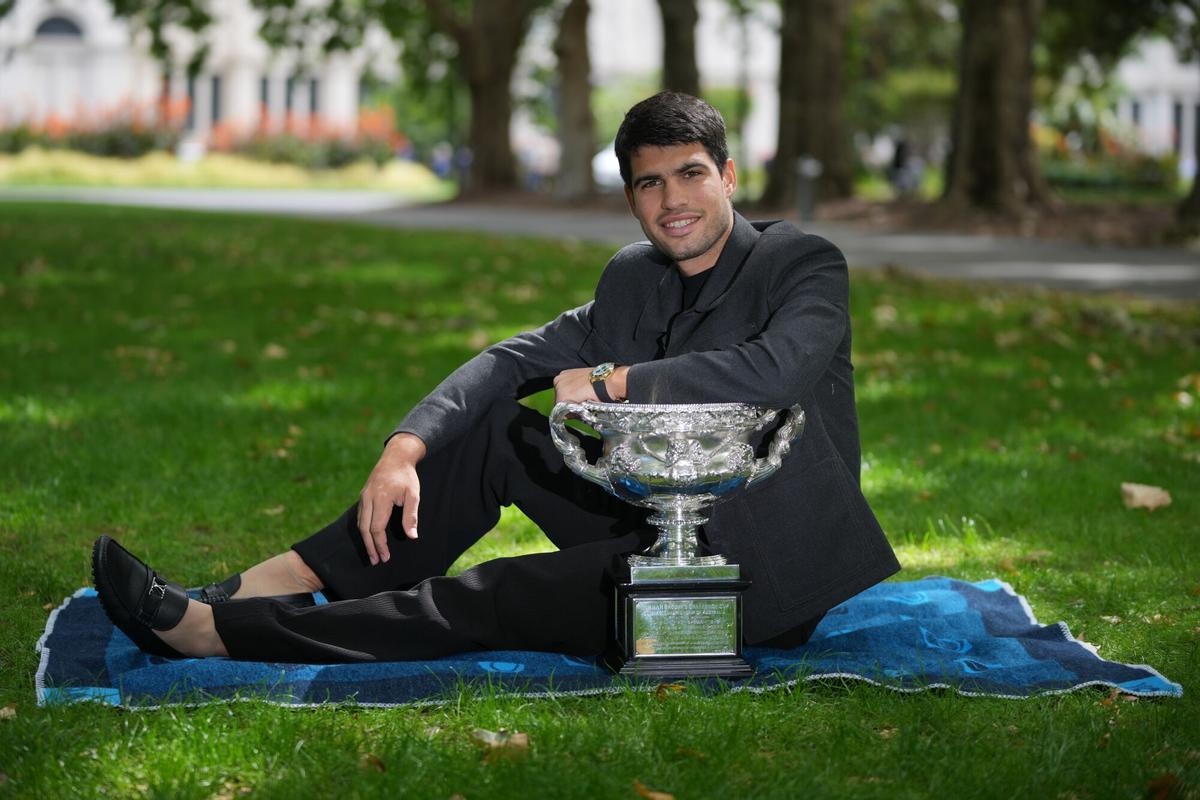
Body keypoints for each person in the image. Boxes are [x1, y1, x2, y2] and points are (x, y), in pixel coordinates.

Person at [91, 92, 901, 663]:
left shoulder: (801, 262)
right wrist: (405, 447)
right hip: (650, 516)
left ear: (728, 177)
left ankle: (215, 634)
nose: (672, 199)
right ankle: (272, 584)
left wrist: (615, 380)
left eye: (691, 173)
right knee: (489, 434)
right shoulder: (635, 277)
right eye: (649, 183)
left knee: (494, 595)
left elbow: (775, 370)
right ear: (631, 197)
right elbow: (513, 359)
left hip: (763, 573)